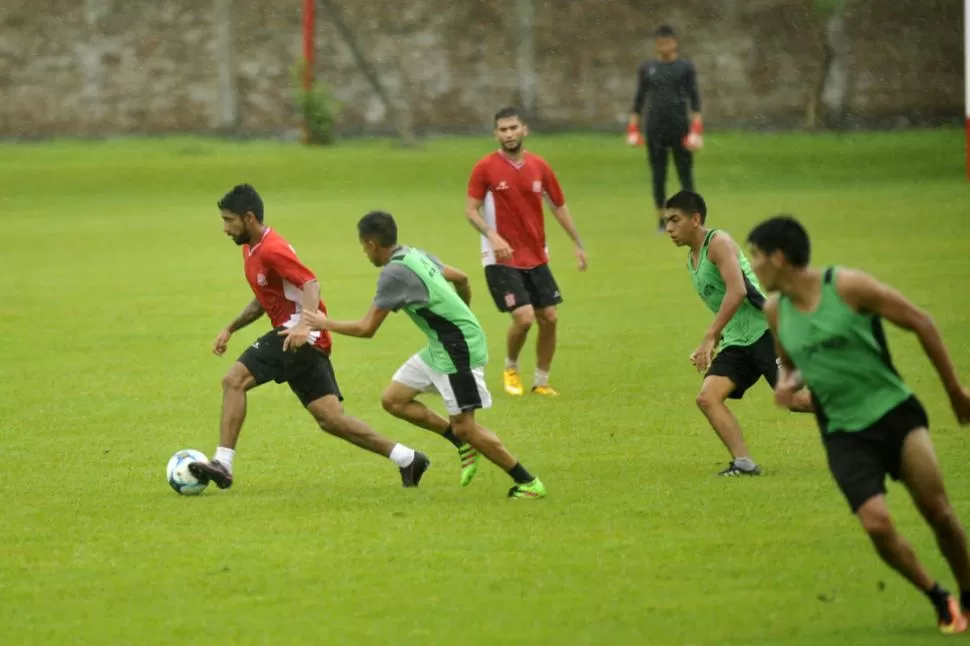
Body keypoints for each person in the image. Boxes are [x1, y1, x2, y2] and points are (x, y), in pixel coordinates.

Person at [746, 215, 970, 634]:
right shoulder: (776, 311)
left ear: (778, 257)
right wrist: (787, 384)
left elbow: (921, 322)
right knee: (877, 525)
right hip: (844, 432)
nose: (752, 265)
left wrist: (956, 391)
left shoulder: (847, 287)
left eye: (756, 256)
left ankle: (969, 592)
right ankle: (939, 597)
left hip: (894, 414)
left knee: (938, 513)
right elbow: (792, 366)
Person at [283, 211, 546, 499]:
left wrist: (323, 323)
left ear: (371, 244)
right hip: (441, 344)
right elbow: (462, 278)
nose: (364, 253)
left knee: (466, 427)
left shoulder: (393, 274)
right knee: (394, 400)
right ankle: (461, 444)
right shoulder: (414, 255)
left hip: (458, 349)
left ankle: (528, 482)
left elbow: (366, 328)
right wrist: (462, 313)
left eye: (363, 246)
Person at [191, 184, 430, 490]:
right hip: (303, 339)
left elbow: (310, 283)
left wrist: (304, 326)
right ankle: (408, 458)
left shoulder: (272, 248)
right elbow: (264, 299)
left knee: (233, 380)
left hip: (296, 335)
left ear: (248, 217)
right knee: (330, 418)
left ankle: (222, 463)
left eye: (229, 220)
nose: (225, 228)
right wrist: (231, 327)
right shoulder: (250, 248)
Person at [663, 191, 812, 476]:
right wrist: (718, 336)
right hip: (738, 340)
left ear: (695, 219)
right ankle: (744, 463)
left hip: (765, 332)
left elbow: (738, 291)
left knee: (797, 401)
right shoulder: (691, 260)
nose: (669, 228)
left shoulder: (718, 243)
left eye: (675, 220)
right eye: (666, 221)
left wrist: (710, 336)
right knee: (707, 398)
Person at [465, 106, 588, 398]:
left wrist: (577, 243)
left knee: (550, 318)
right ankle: (510, 367)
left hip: (535, 255)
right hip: (501, 258)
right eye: (503, 130)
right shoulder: (485, 168)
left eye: (513, 128)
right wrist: (493, 236)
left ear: (524, 130)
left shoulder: (539, 167)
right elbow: (471, 211)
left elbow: (558, 206)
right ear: (496, 134)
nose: (509, 134)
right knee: (523, 318)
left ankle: (541, 381)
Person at [628, 25, 703, 232]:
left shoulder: (685, 68)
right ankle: (662, 220)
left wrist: (696, 130)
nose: (664, 47)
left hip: (680, 128)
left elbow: (695, 99)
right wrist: (633, 128)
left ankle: (693, 217)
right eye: (660, 43)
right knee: (658, 175)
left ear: (675, 42)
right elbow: (639, 99)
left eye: (667, 42)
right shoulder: (648, 69)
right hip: (655, 129)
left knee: (685, 174)